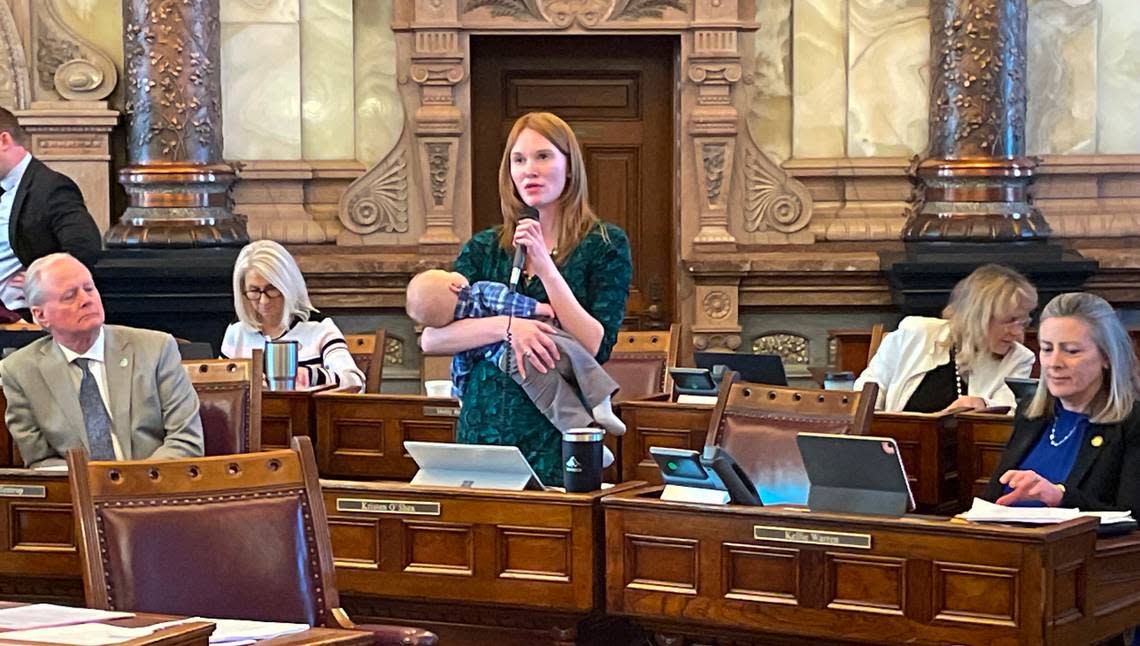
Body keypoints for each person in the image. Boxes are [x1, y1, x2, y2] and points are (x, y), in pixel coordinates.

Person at [420, 111, 632, 487]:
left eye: (543, 156)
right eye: (519, 160)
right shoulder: (484, 248)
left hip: (554, 435)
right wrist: (509, 327)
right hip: (482, 428)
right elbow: (433, 338)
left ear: (570, 167)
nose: (529, 170)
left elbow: (594, 345)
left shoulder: (604, 244)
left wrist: (547, 268)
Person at [0, 253, 203, 468]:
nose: (86, 300)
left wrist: (130, 484)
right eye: (70, 296)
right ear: (40, 315)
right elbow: (40, 461)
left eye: (89, 289)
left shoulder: (156, 349)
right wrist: (92, 485)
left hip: (154, 490)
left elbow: (186, 441)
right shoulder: (20, 371)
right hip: (77, 495)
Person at [405, 268, 625, 434]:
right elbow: (508, 302)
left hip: (508, 361)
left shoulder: (462, 342)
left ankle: (579, 432)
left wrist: (461, 397)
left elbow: (459, 374)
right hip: (538, 338)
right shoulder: (478, 291)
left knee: (552, 396)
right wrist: (538, 309)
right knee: (574, 356)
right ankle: (600, 403)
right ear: (455, 285)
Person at [982, 293, 1140, 517]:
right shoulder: (1031, 414)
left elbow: (1133, 519)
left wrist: (1059, 497)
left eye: (1072, 351)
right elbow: (993, 500)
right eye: (1047, 349)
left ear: (1106, 357)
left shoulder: (1132, 423)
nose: (1055, 363)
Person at [854, 264, 1037, 413]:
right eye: (1010, 321)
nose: (1018, 334)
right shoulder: (914, 334)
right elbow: (864, 394)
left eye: (1023, 322)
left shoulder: (1019, 358)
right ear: (977, 316)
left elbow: (1010, 415)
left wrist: (984, 405)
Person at [221, 240, 365, 392]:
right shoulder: (237, 332)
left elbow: (355, 382)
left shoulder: (319, 328)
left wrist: (310, 376)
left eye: (272, 289)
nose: (263, 300)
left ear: (288, 287)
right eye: (254, 291)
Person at [0, 108, 102, 321]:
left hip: (23, 317)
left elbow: (84, 246)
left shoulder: (51, 187)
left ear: (4, 140)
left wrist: (39, 279)